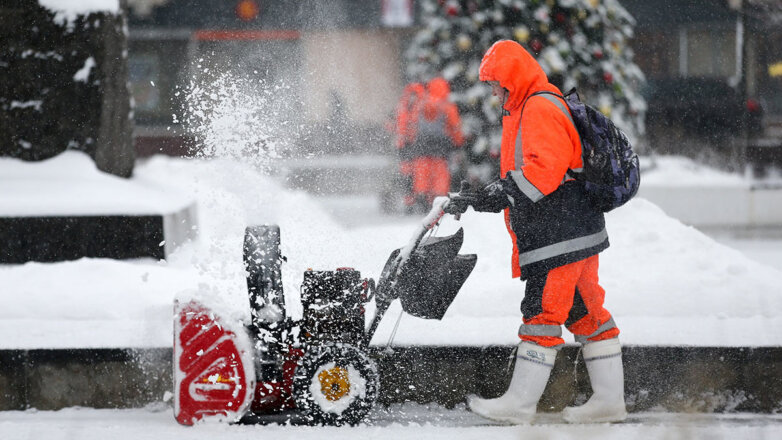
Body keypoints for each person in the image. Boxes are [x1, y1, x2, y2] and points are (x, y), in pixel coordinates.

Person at [445, 40, 627, 424]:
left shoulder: (539, 106)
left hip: (558, 233)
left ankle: (520, 404)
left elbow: (542, 173)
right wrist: (487, 194)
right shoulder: (530, 105)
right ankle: (610, 401)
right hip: (575, 229)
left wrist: (496, 195)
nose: (493, 91)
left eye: (496, 83)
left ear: (512, 79)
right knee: (586, 311)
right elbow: (531, 168)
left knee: (543, 311)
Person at [401, 77, 464, 213]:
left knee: (422, 173)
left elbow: (412, 124)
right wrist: (458, 142)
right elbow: (455, 127)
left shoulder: (420, 104)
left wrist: (410, 142)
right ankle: (436, 202)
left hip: (421, 147)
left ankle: (422, 198)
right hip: (441, 148)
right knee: (440, 175)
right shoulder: (447, 106)